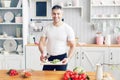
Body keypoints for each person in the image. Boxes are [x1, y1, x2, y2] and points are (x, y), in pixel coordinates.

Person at [38, 5, 76, 71]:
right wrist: (43, 53)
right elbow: (41, 42)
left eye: (58, 14)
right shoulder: (47, 28)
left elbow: (73, 45)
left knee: (60, 77)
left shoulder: (68, 28)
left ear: (62, 14)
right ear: (51, 14)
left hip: (62, 58)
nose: (56, 16)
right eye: (54, 14)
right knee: (46, 77)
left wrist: (68, 58)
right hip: (48, 57)